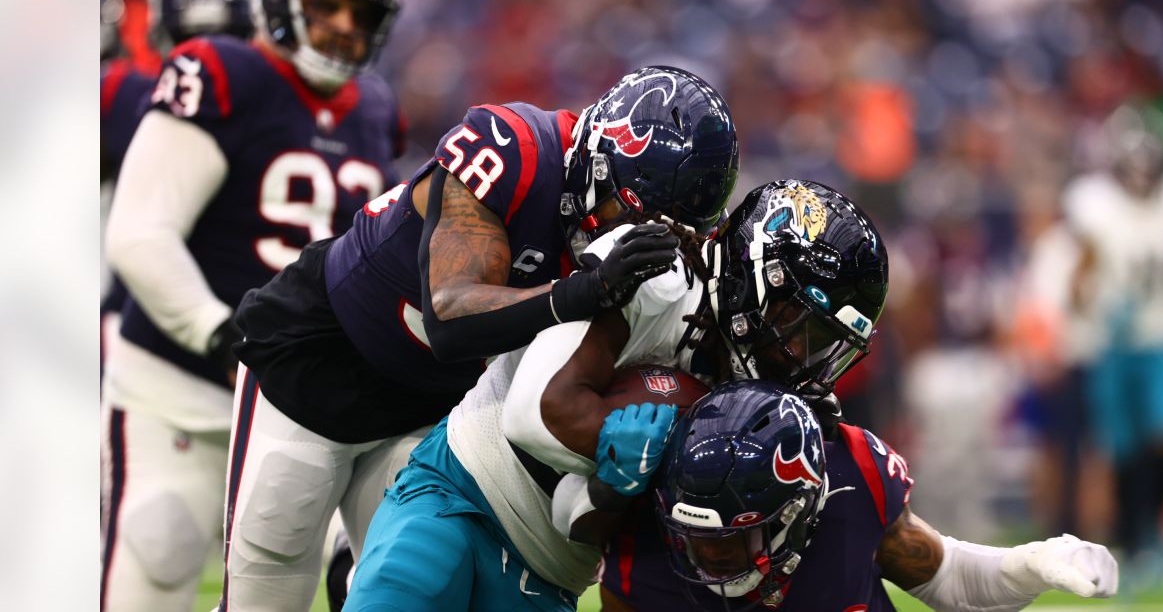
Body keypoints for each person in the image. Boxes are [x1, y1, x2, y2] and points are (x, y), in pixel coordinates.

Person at [222, 59, 740, 611]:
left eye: (668, 229)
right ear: (596, 163)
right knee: (265, 589)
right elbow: (449, 315)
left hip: (431, 408)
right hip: (325, 356)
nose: (633, 237)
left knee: (397, 589)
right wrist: (580, 292)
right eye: (630, 213)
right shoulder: (514, 150)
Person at [342, 179, 889, 610]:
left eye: (824, 346)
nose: (802, 356)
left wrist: (619, 481)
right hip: (461, 493)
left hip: (553, 574)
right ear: (760, 275)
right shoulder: (659, 273)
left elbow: (578, 514)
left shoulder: (756, 406)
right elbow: (534, 416)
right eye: (800, 327)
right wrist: (659, 442)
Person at [101, 0, 404, 612]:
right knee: (163, 546)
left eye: (360, 12)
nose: (342, 26)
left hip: (302, 403)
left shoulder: (375, 109)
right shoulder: (220, 73)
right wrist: (224, 333)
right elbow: (141, 233)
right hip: (182, 387)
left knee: (337, 578)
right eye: (324, 5)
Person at [603, 379, 1119, 611]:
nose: (709, 562)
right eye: (695, 541)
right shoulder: (647, 551)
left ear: (798, 513)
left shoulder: (854, 485)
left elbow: (953, 584)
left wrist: (1035, 563)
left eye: (726, 544)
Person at [100, 0, 257, 368]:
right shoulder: (119, 93)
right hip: (139, 321)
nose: (201, 61)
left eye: (223, 41)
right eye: (190, 41)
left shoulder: (121, 91)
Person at [1063, 105, 1163, 587]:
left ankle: (1150, 533)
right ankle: (1135, 542)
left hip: (1155, 336)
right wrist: (1086, 319)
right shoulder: (1097, 206)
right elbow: (1082, 276)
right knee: (1122, 445)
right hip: (1113, 340)